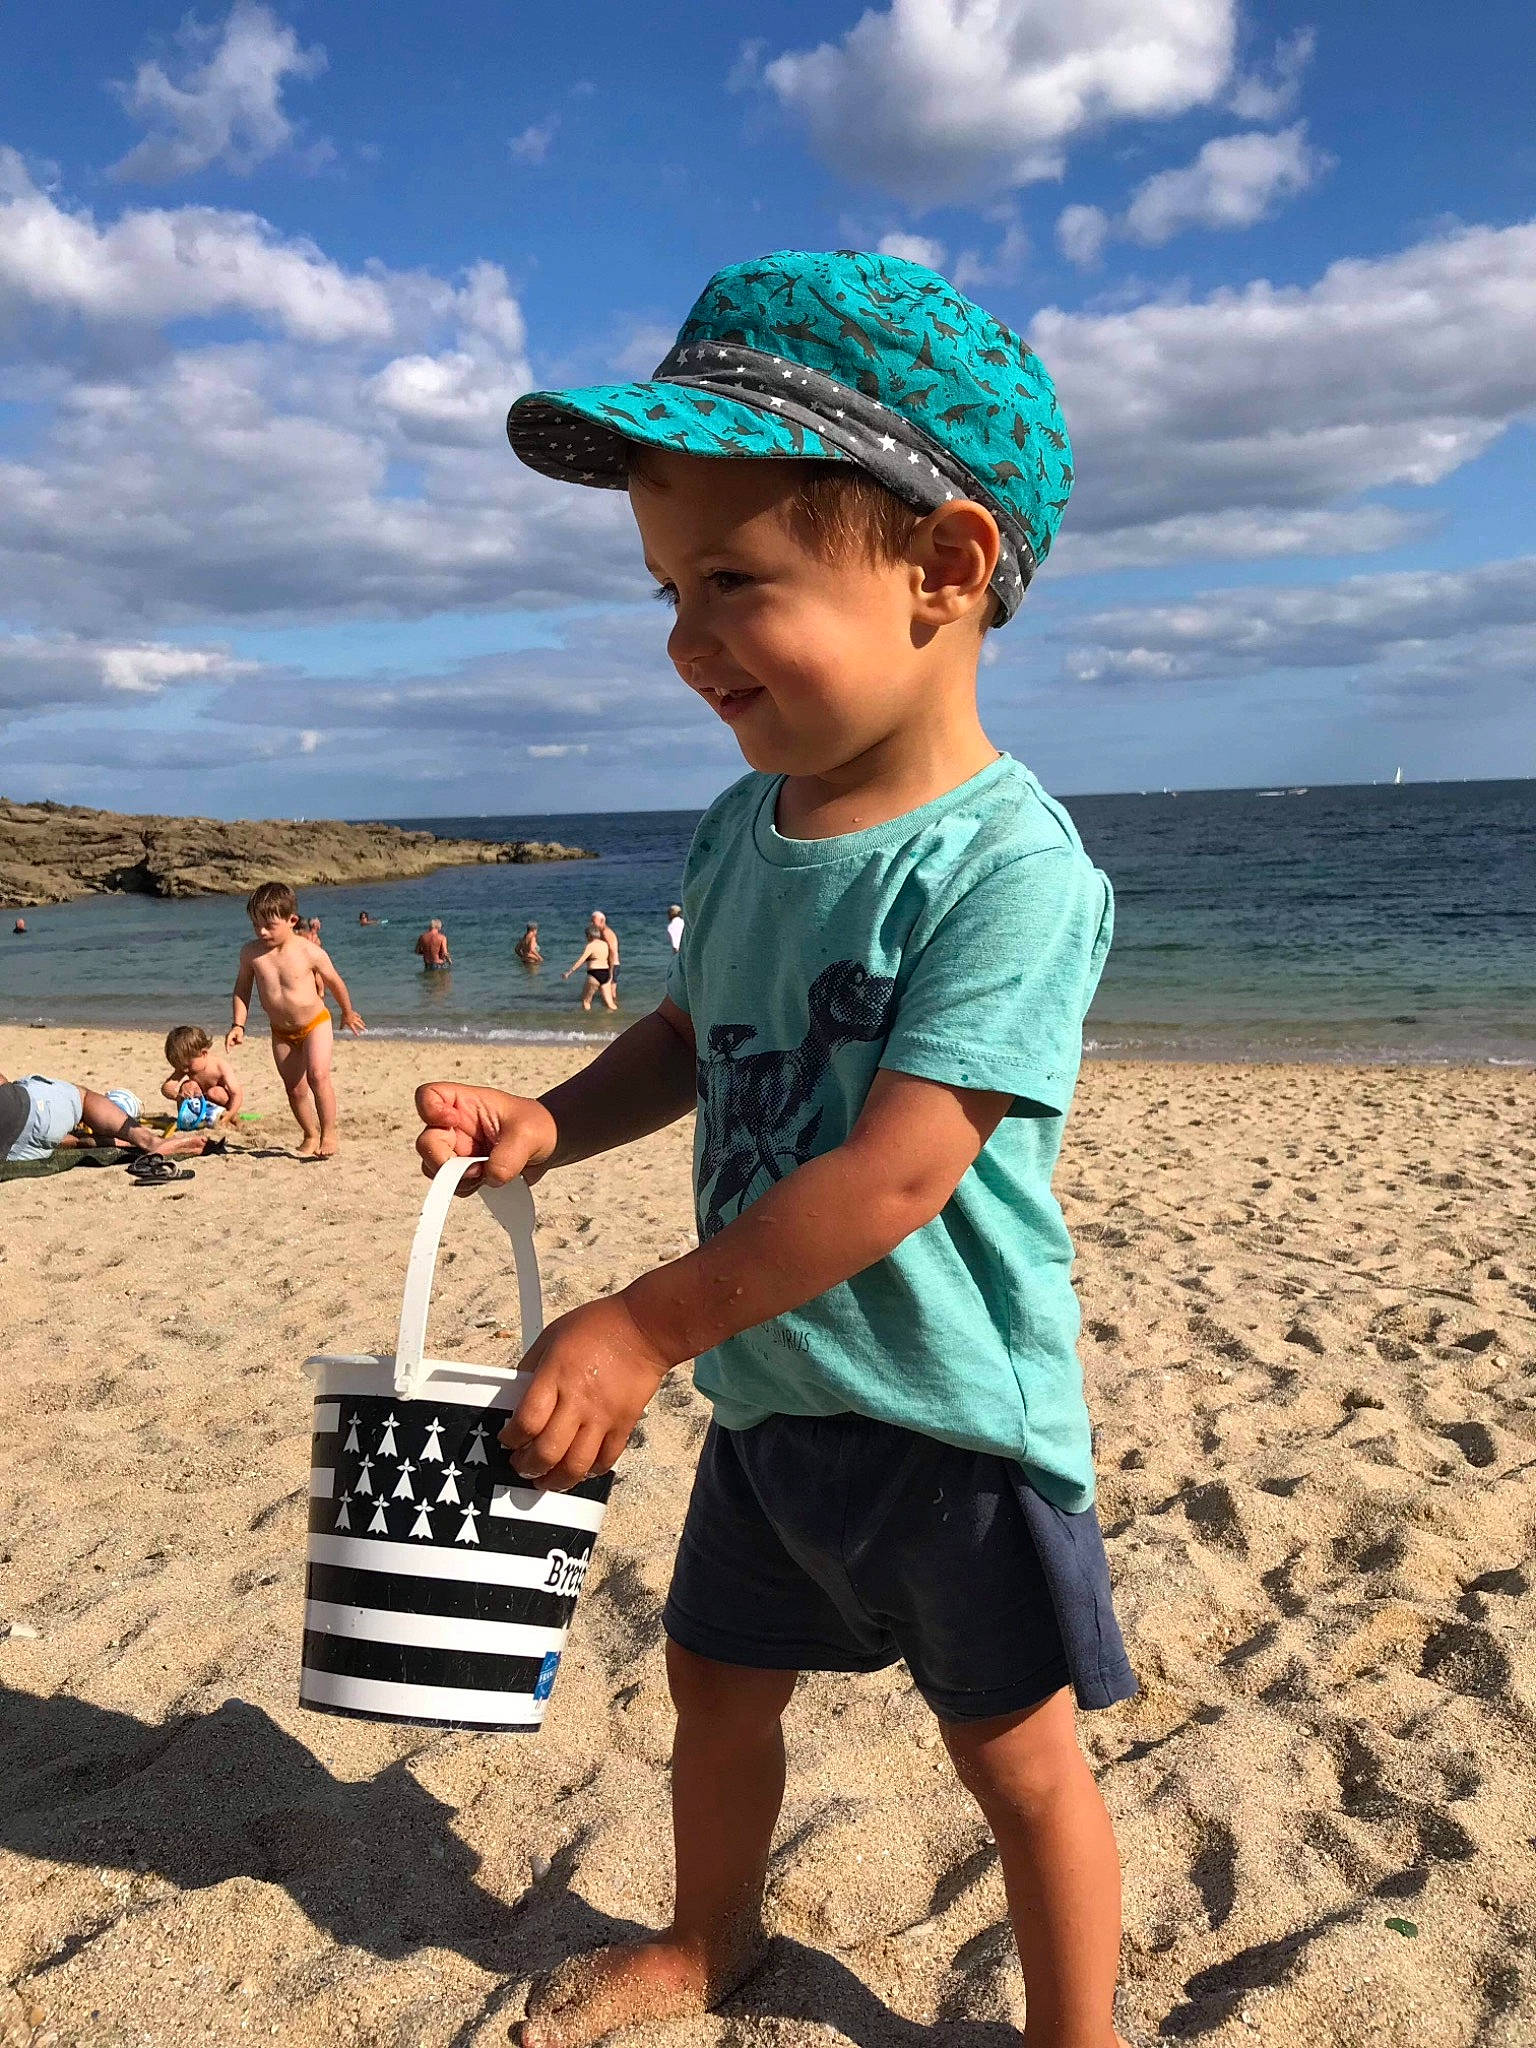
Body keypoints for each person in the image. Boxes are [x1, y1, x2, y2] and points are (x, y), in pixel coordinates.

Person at [416, 250, 1131, 2048]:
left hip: (949, 1415)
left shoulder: (1006, 868)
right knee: (717, 1684)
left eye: (734, 580)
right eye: (667, 587)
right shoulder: (743, 825)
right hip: (777, 1396)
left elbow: (901, 1168)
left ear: (946, 570)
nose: (684, 635)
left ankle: (1078, 2032)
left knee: (1016, 1752)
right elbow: (691, 1031)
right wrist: (550, 1124)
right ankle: (705, 1933)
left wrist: (645, 1321)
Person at [229, 881, 364, 1158]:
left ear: (292, 920)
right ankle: (310, 1133)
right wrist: (238, 1025)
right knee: (295, 1088)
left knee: (318, 1075)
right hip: (281, 1031)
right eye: (256, 925)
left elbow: (335, 982)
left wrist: (347, 1011)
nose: (262, 931)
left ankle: (328, 1132)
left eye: (269, 925)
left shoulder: (308, 951)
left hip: (315, 1023)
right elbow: (242, 989)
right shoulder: (251, 953)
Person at [1, 1070, 211, 1164]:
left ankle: (84, 1142)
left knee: (58, 1138)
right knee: (83, 1097)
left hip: (11, 1153)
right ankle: (150, 1141)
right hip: (25, 1117)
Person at [161, 1024, 244, 1125]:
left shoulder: (220, 1066)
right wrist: (178, 1096)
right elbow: (166, 1087)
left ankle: (227, 1118)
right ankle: (187, 1118)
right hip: (199, 1106)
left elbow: (237, 1093)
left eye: (188, 1065)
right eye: (181, 1066)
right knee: (187, 1085)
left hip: (222, 1105)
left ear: (203, 1054)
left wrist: (231, 1113)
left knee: (215, 1092)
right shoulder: (185, 1068)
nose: (185, 1070)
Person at [563, 922, 617, 1013]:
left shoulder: (590, 945)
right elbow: (611, 959)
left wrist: (569, 972)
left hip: (594, 974)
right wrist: (611, 973)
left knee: (586, 1001)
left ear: (589, 935)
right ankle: (616, 1023)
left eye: (586, 935)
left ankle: (588, 1024)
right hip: (606, 973)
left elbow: (581, 960)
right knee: (610, 1003)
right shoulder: (605, 944)